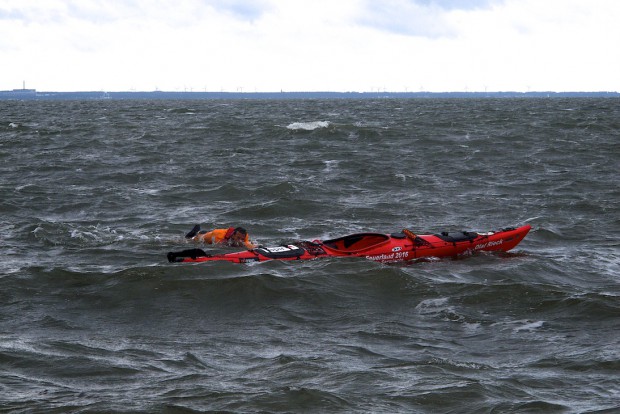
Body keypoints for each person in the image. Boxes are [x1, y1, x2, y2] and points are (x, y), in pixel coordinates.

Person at [185, 225, 256, 249]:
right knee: (188, 239)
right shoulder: (219, 236)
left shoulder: (244, 235)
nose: (240, 240)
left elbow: (248, 244)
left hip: (209, 233)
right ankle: (195, 232)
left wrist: (256, 247)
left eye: (242, 239)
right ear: (233, 234)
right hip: (200, 237)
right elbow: (218, 248)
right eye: (238, 238)